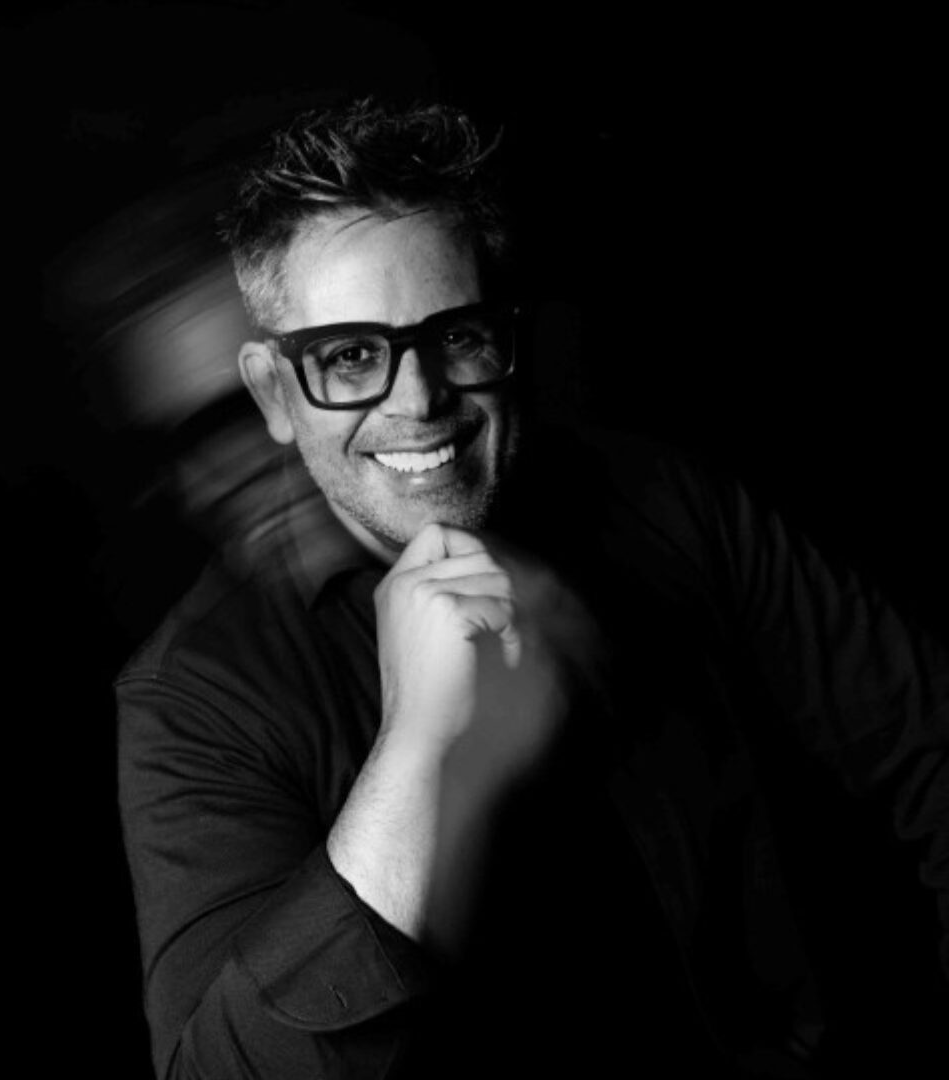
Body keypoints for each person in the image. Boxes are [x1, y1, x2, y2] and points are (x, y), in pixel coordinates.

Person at [115, 97, 948, 1079]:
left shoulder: (665, 503)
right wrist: (419, 750)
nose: (419, 401)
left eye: (457, 336)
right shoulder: (195, 700)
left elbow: (928, 749)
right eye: (350, 356)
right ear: (273, 393)